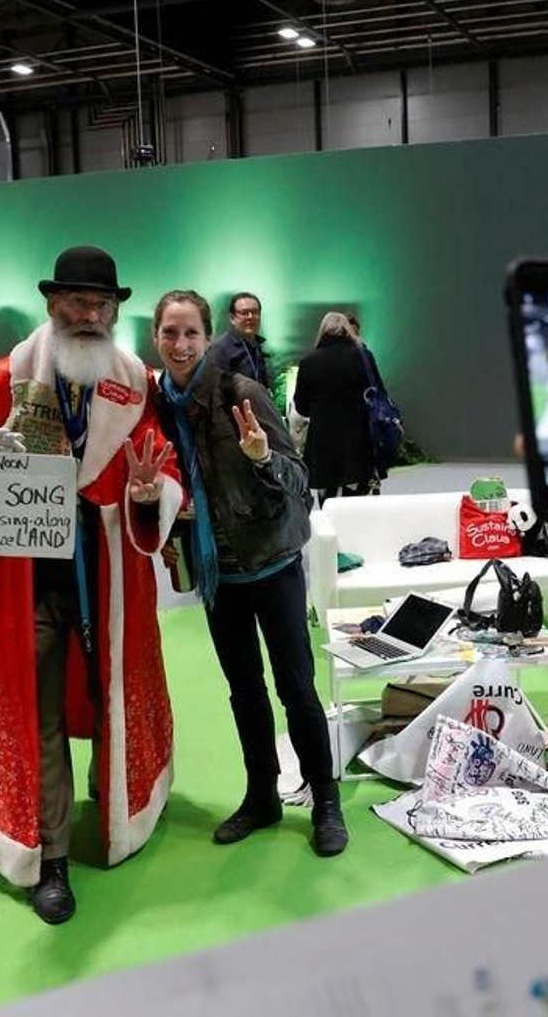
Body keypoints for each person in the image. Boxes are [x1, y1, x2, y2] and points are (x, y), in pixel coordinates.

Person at [0, 245, 184, 925]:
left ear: (115, 311)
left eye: (101, 304)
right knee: (41, 709)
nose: (89, 314)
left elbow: (160, 459)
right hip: (29, 581)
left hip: (109, 573)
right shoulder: (1, 381)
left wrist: (154, 491)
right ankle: (51, 855)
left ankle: (115, 798)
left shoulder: (135, 382)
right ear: (51, 304)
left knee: (110, 692)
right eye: (76, 302)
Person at [152, 289, 348, 857]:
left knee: (297, 690)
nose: (181, 344)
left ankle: (326, 799)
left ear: (208, 337)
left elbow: (300, 481)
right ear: (156, 338)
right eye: (170, 332)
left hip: (273, 563)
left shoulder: (242, 393)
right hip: (220, 577)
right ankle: (261, 794)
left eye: (191, 333)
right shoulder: (161, 404)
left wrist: (262, 456)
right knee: (244, 691)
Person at [294, 312, 377, 505]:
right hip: (357, 436)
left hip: (323, 439)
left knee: (327, 497)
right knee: (355, 495)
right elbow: (377, 392)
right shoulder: (363, 356)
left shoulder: (309, 361)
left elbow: (301, 406)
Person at [204, 291, 270, 390]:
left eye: (255, 312)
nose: (250, 317)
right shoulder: (220, 349)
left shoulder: (258, 345)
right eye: (244, 313)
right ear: (232, 318)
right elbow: (212, 390)